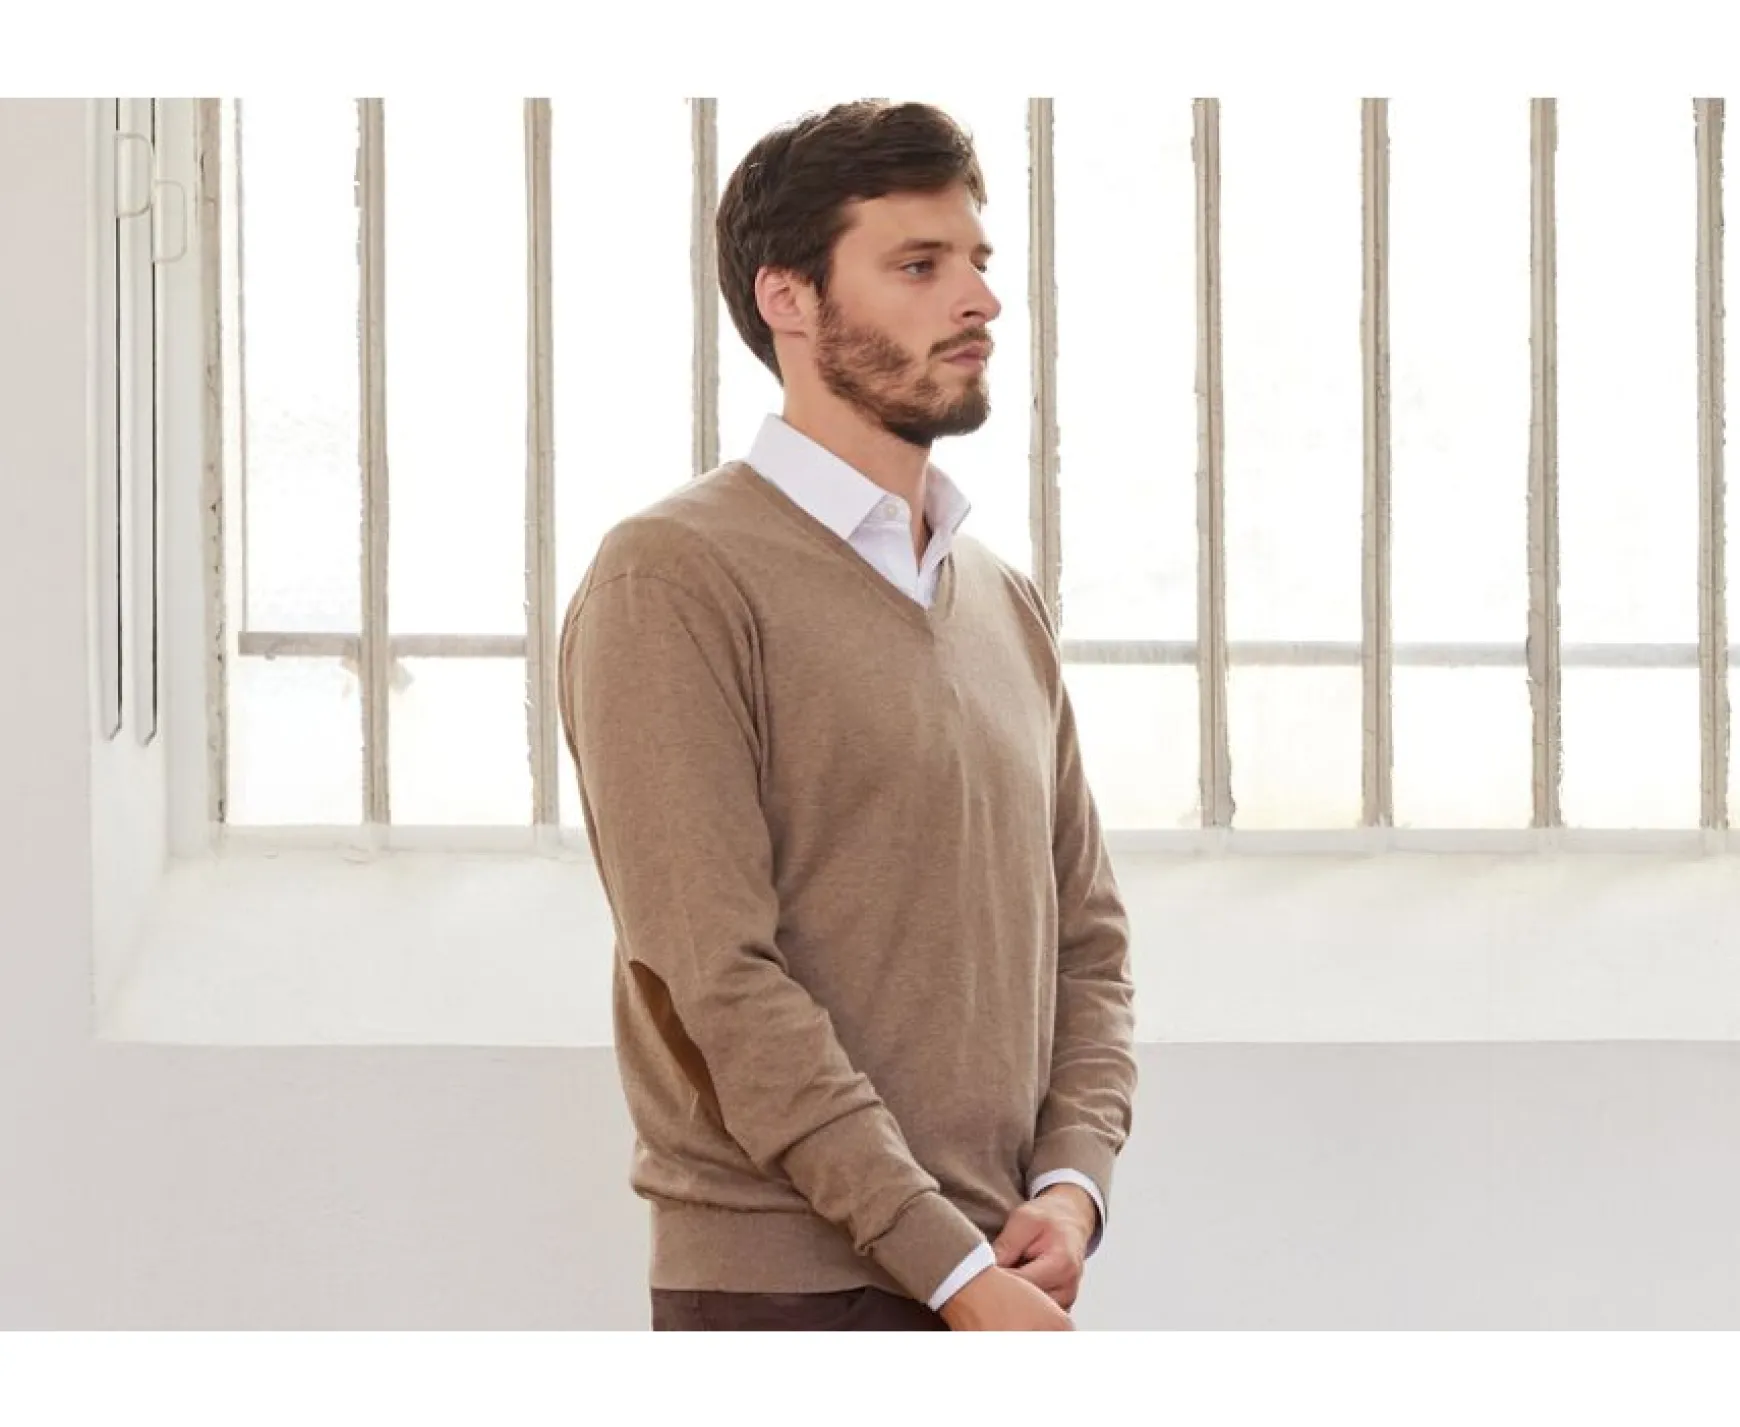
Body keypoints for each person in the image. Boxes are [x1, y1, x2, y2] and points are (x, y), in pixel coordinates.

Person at [557, 98, 1136, 1332]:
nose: (978, 299)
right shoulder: (672, 577)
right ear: (789, 298)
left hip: (1001, 1267)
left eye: (977, 260)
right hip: (788, 1289)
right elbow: (714, 974)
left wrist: (1073, 1180)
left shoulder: (999, 597)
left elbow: (1086, 939)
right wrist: (946, 1264)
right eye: (918, 266)